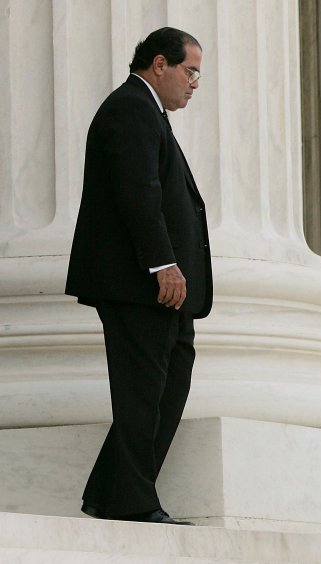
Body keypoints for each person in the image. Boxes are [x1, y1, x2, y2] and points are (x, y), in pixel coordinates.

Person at [65, 27, 212, 526]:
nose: (194, 83)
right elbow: (138, 193)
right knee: (143, 393)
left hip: (161, 291)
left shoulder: (149, 112)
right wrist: (162, 263)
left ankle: (112, 493)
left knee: (166, 386)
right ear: (159, 64)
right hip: (140, 285)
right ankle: (131, 502)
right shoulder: (130, 108)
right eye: (190, 71)